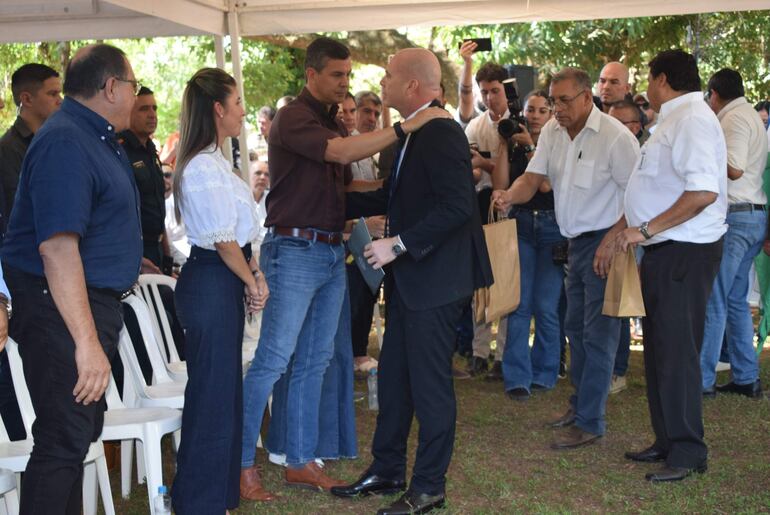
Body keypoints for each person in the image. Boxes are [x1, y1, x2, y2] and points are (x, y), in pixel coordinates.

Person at [239, 37, 448, 496]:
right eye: (337, 75)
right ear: (311, 74)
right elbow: (340, 154)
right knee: (273, 360)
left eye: (348, 75)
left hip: (332, 249)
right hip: (294, 250)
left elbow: (354, 186)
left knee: (315, 360)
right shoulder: (294, 115)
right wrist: (408, 126)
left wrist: (412, 185)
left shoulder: (330, 118)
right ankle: (241, 465)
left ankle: (300, 460)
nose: (344, 84)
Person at [331, 47, 492, 515]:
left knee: (429, 385)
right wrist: (324, 204)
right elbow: (393, 194)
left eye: (387, 77)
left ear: (413, 86)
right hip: (413, 281)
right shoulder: (413, 130)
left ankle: (428, 488)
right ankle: (387, 469)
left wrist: (397, 244)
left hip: (436, 281)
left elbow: (457, 207)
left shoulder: (439, 131)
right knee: (397, 377)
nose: (380, 84)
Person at [1, 43, 142, 513]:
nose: (135, 94)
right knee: (64, 439)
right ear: (111, 87)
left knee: (75, 435)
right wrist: (86, 342)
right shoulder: (67, 140)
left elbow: (92, 225)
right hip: (59, 307)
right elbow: (57, 248)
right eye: (133, 85)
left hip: (80, 302)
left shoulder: (91, 135)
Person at [493, 67, 639, 450]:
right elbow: (532, 178)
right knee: (575, 327)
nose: (557, 109)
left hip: (606, 244)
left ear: (588, 98)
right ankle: (580, 406)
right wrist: (509, 194)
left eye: (564, 100)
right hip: (572, 243)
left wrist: (614, 237)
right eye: (554, 100)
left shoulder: (615, 137)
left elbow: (638, 197)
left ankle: (591, 420)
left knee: (599, 334)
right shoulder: (554, 134)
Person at [617, 49, 727, 482]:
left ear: (662, 79)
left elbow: (703, 193)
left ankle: (687, 451)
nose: (645, 86)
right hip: (667, 249)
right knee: (661, 349)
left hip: (684, 249)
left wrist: (644, 230)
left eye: (648, 78)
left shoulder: (693, 120)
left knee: (678, 352)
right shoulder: (676, 119)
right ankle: (667, 440)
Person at [170, 67, 270, 513]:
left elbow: (241, 237)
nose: (244, 113)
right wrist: (250, 280)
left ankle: (215, 497)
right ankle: (198, 502)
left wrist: (254, 274)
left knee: (224, 393)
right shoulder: (202, 166)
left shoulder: (216, 162)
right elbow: (222, 239)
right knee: (211, 395)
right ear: (218, 108)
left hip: (224, 277)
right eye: (238, 103)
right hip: (211, 280)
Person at [491, 89, 565, 401]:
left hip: (552, 226)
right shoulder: (515, 142)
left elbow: (546, 184)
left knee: (546, 306)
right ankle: (516, 377)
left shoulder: (557, 143)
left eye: (541, 111)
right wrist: (505, 144)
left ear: (550, 115)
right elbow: (501, 184)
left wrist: (533, 146)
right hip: (519, 224)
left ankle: (545, 372)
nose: (534, 116)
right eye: (530, 110)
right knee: (518, 305)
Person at [700, 68, 767, 399]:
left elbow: (735, 168)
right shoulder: (749, 114)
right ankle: (746, 376)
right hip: (751, 215)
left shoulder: (734, 119)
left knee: (716, 297)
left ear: (714, 94)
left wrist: (706, 150)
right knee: (734, 300)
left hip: (738, 216)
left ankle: (701, 379)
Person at [457, 41, 510, 379]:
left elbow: (516, 174)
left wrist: (486, 164)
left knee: (505, 280)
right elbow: (471, 169)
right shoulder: (475, 127)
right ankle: (479, 351)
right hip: (480, 205)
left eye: (494, 90)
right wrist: (483, 166)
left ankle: (503, 355)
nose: (490, 97)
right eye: (485, 91)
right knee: (480, 279)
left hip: (508, 206)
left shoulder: (519, 123)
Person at [118, 86, 175, 275]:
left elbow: (158, 208)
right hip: (135, 251)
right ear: (128, 111)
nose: (152, 115)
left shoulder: (151, 152)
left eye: (154, 108)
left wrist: (167, 256)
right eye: (144, 109)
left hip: (157, 249)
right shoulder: (121, 151)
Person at [0, 63, 62, 226]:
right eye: (53, 94)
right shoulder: (7, 148)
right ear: (27, 99)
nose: (60, 101)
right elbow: (17, 211)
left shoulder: (56, 140)